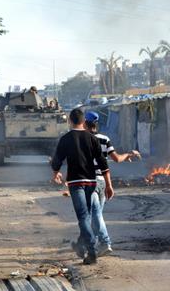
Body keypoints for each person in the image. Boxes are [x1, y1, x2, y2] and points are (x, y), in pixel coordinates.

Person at [72, 111, 140, 257]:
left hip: (89, 182)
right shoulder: (104, 139)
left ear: (84, 123)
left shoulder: (80, 139)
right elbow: (116, 158)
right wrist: (128, 154)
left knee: (94, 215)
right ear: (97, 124)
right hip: (102, 182)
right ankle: (86, 244)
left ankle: (104, 242)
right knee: (95, 215)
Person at [51, 108, 114, 265]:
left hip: (76, 183)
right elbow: (103, 164)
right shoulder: (92, 138)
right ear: (83, 121)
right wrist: (109, 185)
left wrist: (56, 172)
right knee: (87, 215)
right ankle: (82, 245)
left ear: (70, 121)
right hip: (91, 182)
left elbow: (57, 159)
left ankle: (91, 252)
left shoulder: (65, 138)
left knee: (83, 216)